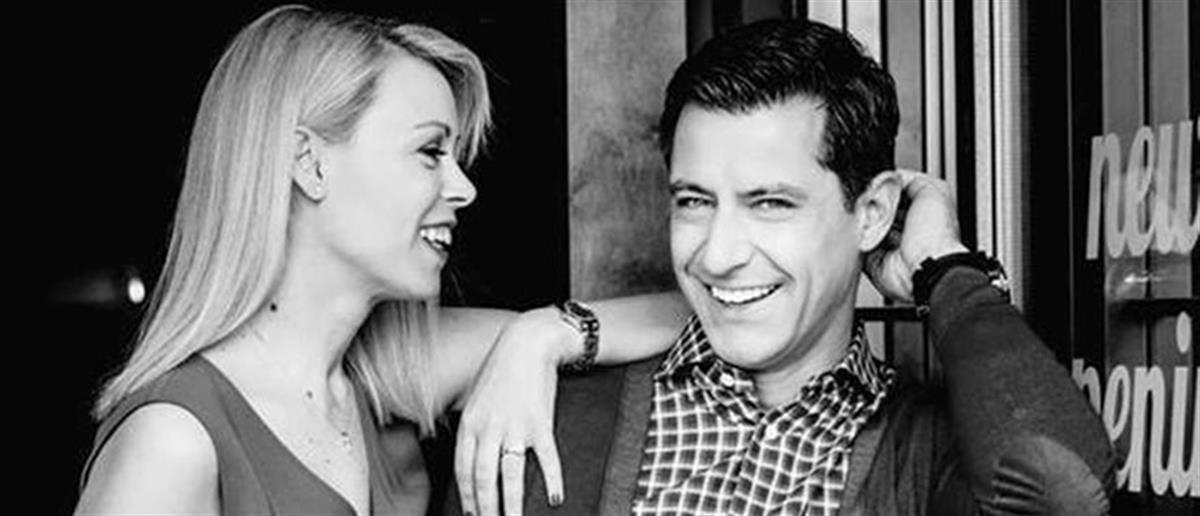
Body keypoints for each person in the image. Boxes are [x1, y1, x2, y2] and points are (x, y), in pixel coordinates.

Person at [448, 18, 1115, 516]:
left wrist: (947, 274)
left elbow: (1059, 491)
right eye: (693, 201)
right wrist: (540, 333)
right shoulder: (544, 418)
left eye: (770, 204)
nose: (718, 255)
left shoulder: (927, 455)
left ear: (873, 213)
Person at [73, 6, 695, 515]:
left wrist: (546, 334)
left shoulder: (386, 373)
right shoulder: (172, 441)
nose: (464, 188)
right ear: (309, 164)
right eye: (430, 152)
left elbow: (702, 312)